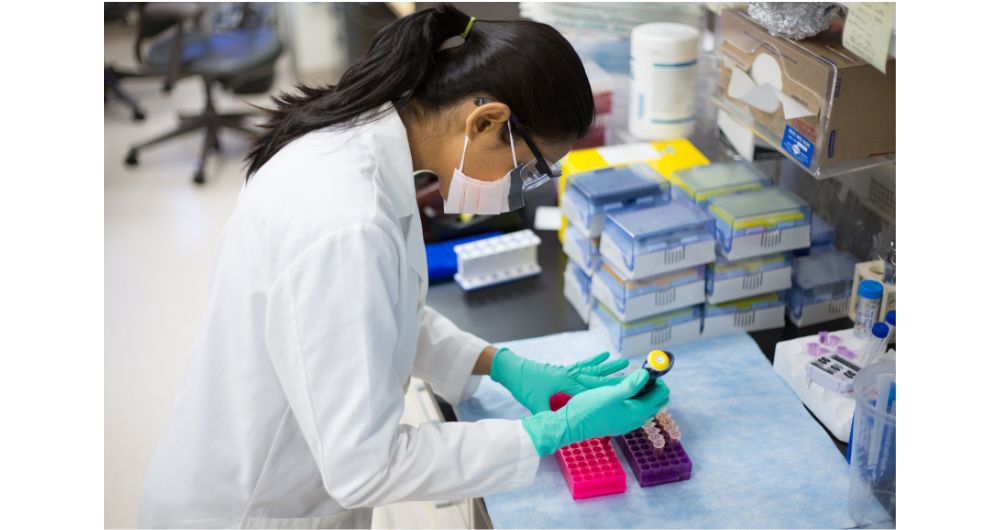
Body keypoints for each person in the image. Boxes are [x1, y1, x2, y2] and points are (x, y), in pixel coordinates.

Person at [138, 4, 669, 528]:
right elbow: (365, 468)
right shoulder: (346, 222)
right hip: (255, 507)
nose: (516, 194)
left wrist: (500, 364)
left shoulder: (362, 144)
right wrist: (551, 432)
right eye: (525, 169)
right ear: (486, 121)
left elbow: (376, 314)